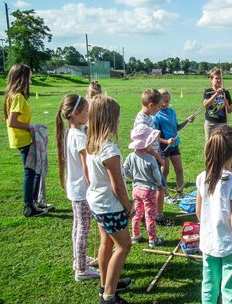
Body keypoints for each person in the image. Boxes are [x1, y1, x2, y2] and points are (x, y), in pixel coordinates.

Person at [196, 125, 232, 304]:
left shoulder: (201, 177)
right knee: (229, 289)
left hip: (208, 242)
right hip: (229, 245)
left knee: (209, 284)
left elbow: (199, 212)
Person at [86, 95, 133, 304]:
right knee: (123, 246)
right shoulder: (109, 149)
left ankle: (106, 284)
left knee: (106, 241)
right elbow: (118, 186)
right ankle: (108, 296)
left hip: (97, 202)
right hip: (110, 205)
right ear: (110, 119)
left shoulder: (92, 143)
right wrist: (128, 206)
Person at [55, 94, 100, 281]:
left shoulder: (72, 133)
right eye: (86, 110)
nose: (89, 113)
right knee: (83, 228)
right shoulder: (79, 137)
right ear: (75, 114)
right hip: (82, 191)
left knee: (77, 226)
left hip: (74, 190)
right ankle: (81, 269)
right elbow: (87, 168)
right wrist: (93, 188)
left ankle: (78, 260)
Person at [3, 64, 48, 217]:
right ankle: (29, 207)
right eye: (29, 77)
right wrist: (32, 127)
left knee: (33, 171)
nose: (31, 80)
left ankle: (34, 203)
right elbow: (12, 122)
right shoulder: (18, 97)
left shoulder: (14, 95)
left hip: (22, 138)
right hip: (23, 140)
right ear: (22, 78)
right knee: (30, 172)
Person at [134, 89, 172, 226]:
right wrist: (159, 158)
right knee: (160, 187)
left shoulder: (146, 117)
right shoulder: (142, 123)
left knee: (150, 188)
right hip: (149, 159)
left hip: (151, 157)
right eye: (158, 106)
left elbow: (153, 138)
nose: (160, 108)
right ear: (151, 105)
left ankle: (145, 214)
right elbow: (146, 147)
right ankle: (158, 216)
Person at [123, 125, 165, 247]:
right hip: (149, 191)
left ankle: (135, 236)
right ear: (146, 144)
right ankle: (153, 239)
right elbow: (157, 176)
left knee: (137, 213)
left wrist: (132, 176)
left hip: (136, 190)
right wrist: (159, 184)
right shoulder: (150, 159)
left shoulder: (131, 156)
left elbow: (124, 170)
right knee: (150, 215)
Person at [153, 89, 195, 202]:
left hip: (174, 146)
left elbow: (177, 128)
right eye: (164, 99)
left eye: (168, 99)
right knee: (165, 171)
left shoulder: (171, 111)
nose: (166, 102)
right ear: (159, 100)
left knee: (179, 170)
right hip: (163, 147)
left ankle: (181, 194)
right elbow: (154, 136)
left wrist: (187, 120)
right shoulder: (156, 115)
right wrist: (166, 141)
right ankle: (165, 195)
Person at [202, 68, 232, 141]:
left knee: (222, 145)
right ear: (211, 79)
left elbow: (230, 110)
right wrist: (215, 95)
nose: (219, 80)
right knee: (209, 145)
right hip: (210, 124)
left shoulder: (225, 92)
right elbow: (205, 105)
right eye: (216, 78)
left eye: (220, 78)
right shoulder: (208, 91)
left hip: (222, 124)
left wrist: (227, 104)